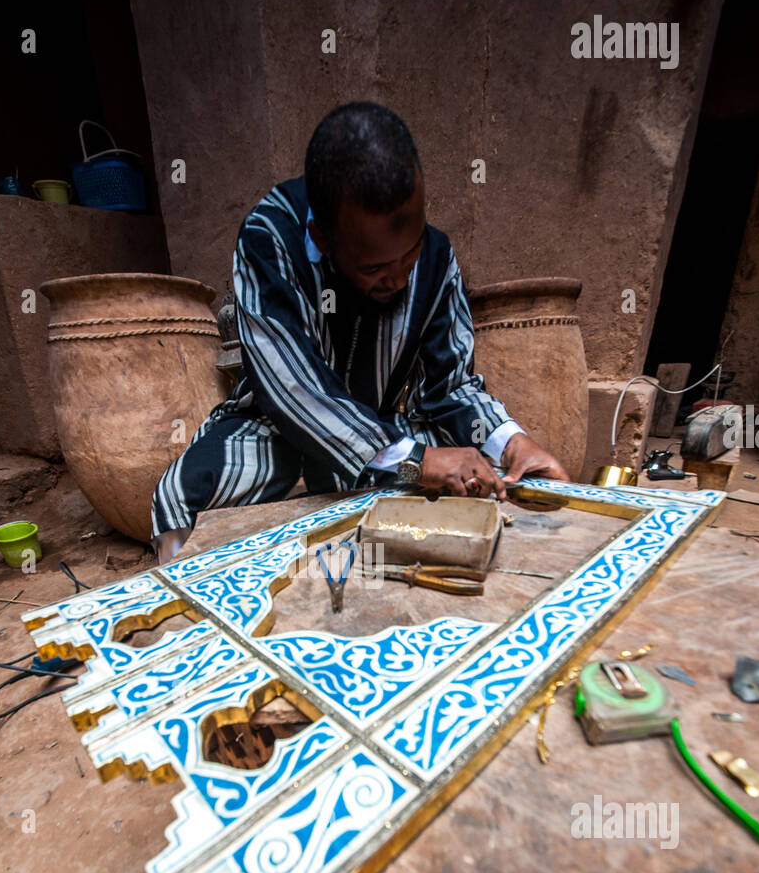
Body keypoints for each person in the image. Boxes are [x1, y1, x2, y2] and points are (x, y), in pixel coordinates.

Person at [152, 101, 567, 561]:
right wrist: (419, 462)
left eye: (409, 255)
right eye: (375, 267)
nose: (399, 279)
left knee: (486, 476)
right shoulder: (270, 239)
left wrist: (512, 442)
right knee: (181, 494)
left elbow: (451, 386)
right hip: (281, 435)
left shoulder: (436, 257)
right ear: (325, 240)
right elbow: (294, 392)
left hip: (389, 428)